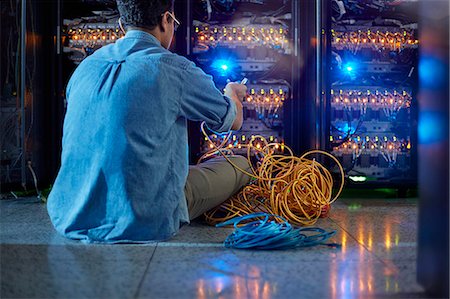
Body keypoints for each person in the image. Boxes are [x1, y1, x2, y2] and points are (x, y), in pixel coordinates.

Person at [47, 0, 252, 243]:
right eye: (174, 23)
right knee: (242, 164)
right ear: (166, 20)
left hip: (70, 215)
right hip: (145, 218)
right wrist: (232, 92)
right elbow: (232, 120)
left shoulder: (85, 68)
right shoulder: (174, 69)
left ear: (123, 25)